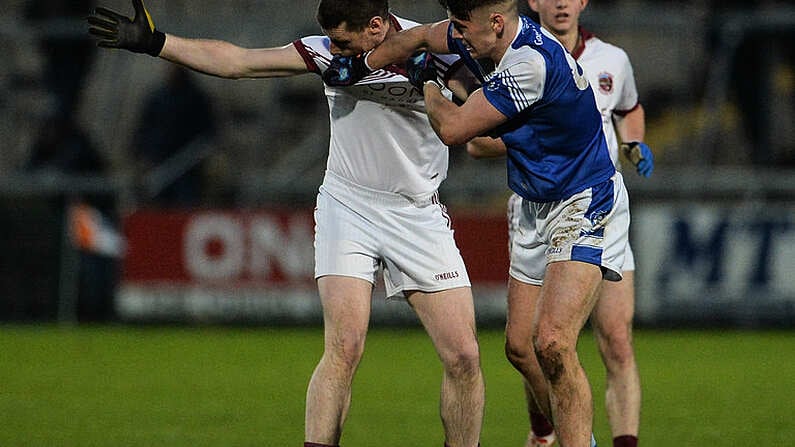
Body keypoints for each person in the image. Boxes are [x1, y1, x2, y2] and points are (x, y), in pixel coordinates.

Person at [86, 1, 484, 447]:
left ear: (376, 26)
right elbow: (239, 62)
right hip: (349, 206)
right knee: (344, 347)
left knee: (465, 356)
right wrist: (158, 43)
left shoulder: (440, 50)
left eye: (343, 41)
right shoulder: (328, 53)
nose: (334, 49)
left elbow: (486, 112)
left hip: (418, 212)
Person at [326, 1, 632, 446]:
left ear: (494, 23)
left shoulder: (531, 62)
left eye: (463, 28)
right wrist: (362, 64)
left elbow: (453, 130)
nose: (458, 36)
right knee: (520, 347)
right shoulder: (486, 31)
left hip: (581, 198)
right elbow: (417, 37)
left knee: (552, 342)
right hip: (533, 202)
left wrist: (426, 78)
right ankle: (566, 436)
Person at [467, 1, 652, 446]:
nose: (561, 2)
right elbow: (476, 140)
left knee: (613, 339)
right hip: (538, 205)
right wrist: (541, 143)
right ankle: (551, 429)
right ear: (533, 3)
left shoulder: (612, 60)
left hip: (597, 204)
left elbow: (628, 109)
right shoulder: (512, 57)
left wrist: (633, 145)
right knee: (525, 346)